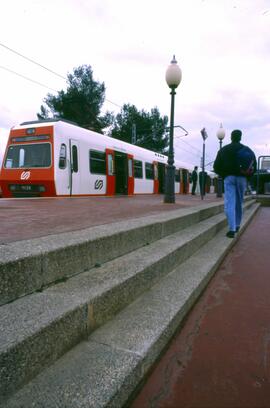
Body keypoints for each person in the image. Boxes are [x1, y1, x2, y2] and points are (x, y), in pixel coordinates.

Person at [213, 129, 256, 238]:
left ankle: (231, 229)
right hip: (242, 178)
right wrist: (247, 176)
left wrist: (225, 175)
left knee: (230, 203)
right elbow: (253, 166)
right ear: (240, 137)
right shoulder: (247, 150)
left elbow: (216, 167)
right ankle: (237, 225)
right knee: (239, 202)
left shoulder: (223, 150)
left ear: (231, 137)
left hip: (229, 178)